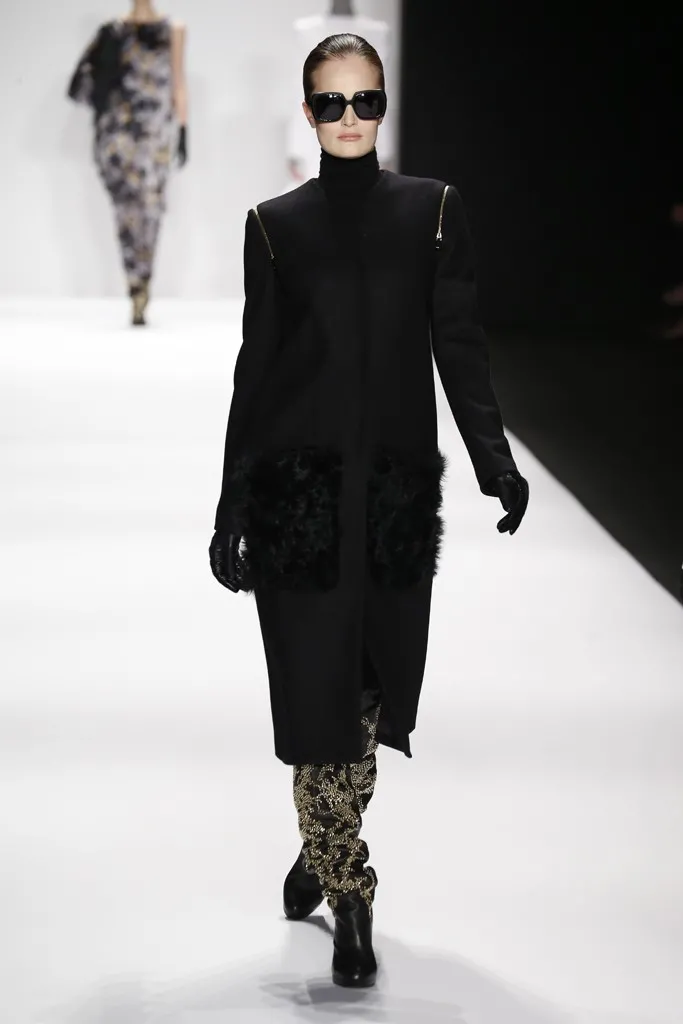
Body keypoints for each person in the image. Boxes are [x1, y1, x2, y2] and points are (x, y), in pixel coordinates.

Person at [209, 34, 529, 989]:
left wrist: (494, 462)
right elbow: (255, 374)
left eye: (366, 101)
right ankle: (350, 892)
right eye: (331, 102)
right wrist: (230, 505)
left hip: (392, 489)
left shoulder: (430, 212)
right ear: (306, 112)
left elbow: (458, 346)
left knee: (370, 690)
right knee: (320, 693)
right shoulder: (273, 226)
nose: (349, 118)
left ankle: (322, 839)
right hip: (297, 492)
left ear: (384, 105)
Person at [67, 0, 188, 326]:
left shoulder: (173, 29)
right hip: (117, 137)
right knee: (126, 213)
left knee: (151, 210)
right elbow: (85, 85)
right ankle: (136, 288)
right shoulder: (112, 31)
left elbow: (178, 82)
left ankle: (143, 281)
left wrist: (183, 130)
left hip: (155, 137)